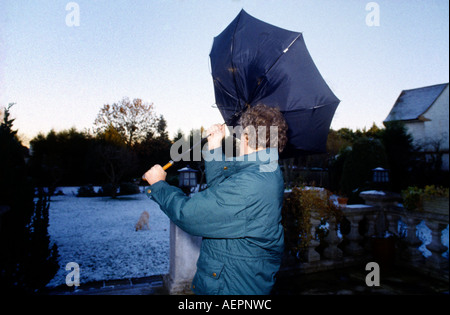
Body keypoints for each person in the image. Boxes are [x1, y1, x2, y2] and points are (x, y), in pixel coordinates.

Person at [144, 104, 288, 295]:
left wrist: (159, 185)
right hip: (234, 278)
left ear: (247, 136)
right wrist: (214, 147)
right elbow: (222, 190)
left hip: (230, 286)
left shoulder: (252, 182)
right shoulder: (264, 169)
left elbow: (188, 214)